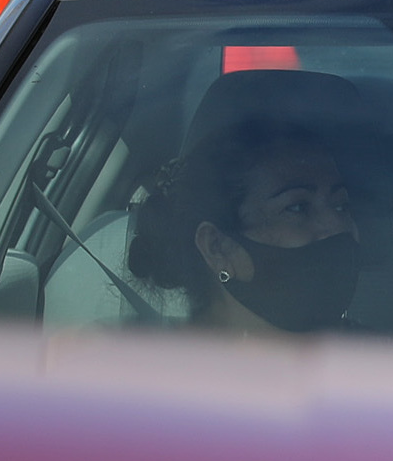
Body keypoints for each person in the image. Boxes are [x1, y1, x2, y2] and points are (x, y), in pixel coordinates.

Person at [129, 69, 364, 333]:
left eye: (342, 206)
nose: (338, 225)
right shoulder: (141, 370)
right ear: (217, 247)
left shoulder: (390, 364)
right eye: (298, 208)